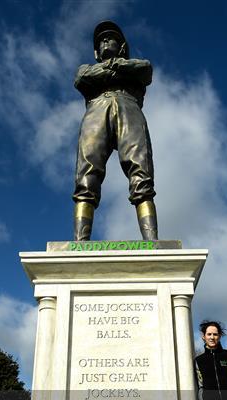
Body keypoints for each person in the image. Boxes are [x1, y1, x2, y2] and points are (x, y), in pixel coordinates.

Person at [72, 21, 158, 241]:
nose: (104, 42)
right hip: (96, 111)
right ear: (95, 50)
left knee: (141, 171)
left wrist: (115, 66)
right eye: (100, 41)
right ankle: (80, 241)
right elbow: (82, 78)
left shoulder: (135, 65)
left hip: (129, 108)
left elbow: (145, 70)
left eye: (109, 39)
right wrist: (114, 69)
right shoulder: (86, 68)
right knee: (87, 173)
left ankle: (151, 241)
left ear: (122, 46)